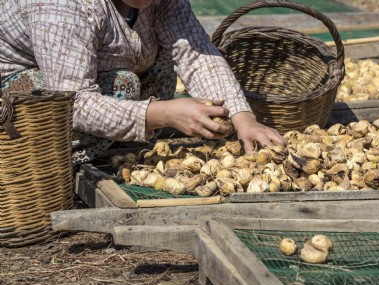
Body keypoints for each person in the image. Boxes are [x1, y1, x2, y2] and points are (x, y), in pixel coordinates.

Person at [0, 0, 285, 164]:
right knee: (124, 85)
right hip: (19, 99)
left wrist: (243, 117)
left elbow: (195, 54)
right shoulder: (60, 5)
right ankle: (62, 163)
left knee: (161, 58)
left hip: (94, 73)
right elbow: (72, 100)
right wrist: (161, 113)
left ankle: (116, 149)